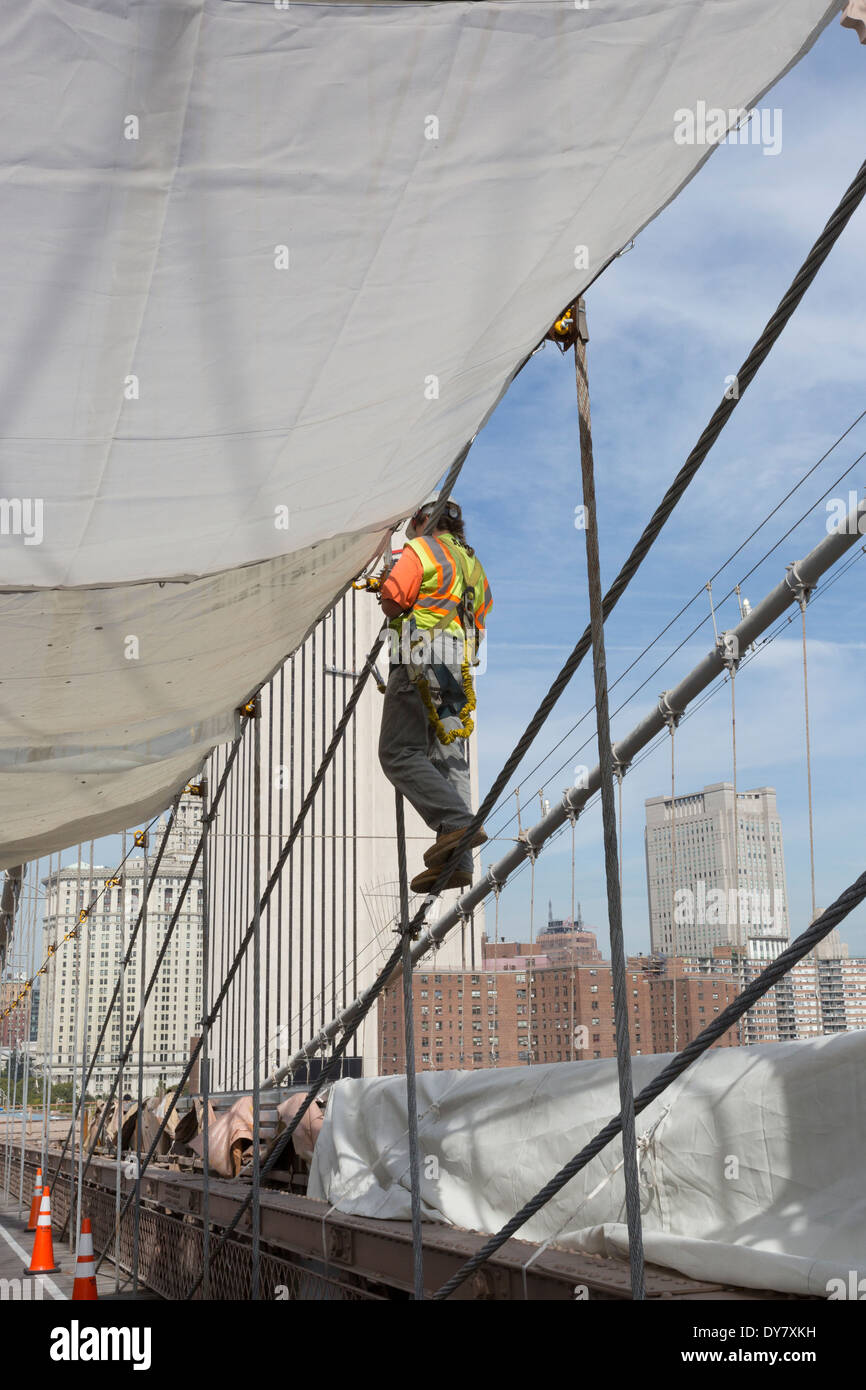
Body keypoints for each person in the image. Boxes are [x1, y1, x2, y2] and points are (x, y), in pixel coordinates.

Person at [374, 497, 492, 893]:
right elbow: (481, 616)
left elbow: (393, 599)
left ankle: (456, 824)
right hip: (458, 664)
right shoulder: (472, 565)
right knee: (451, 761)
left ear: (425, 519)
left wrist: (387, 584)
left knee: (398, 752)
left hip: (420, 654)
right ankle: (460, 864)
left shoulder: (421, 548)